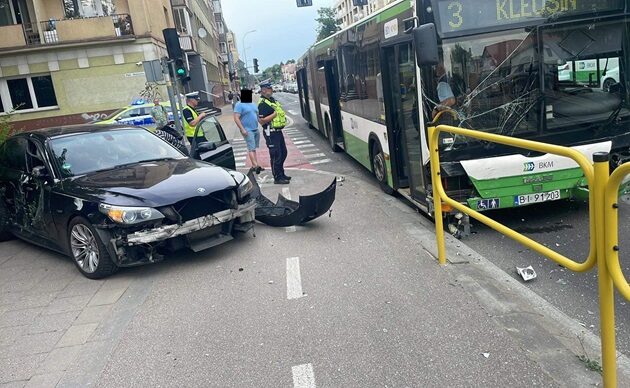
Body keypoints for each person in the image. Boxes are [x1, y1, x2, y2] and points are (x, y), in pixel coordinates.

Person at [258, 82, 290, 184]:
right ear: (263, 90)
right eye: (269, 88)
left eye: (271, 88)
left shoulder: (272, 100)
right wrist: (274, 114)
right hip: (270, 133)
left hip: (278, 131)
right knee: (276, 155)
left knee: (283, 153)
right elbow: (262, 121)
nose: (271, 90)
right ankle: (277, 177)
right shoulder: (262, 104)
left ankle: (281, 173)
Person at [234, 89, 264, 174]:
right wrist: (242, 129)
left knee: (254, 148)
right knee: (251, 148)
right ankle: (255, 166)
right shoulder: (239, 105)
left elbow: (257, 116)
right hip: (247, 130)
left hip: (255, 128)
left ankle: (255, 164)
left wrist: (263, 124)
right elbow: (236, 117)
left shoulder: (253, 104)